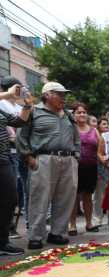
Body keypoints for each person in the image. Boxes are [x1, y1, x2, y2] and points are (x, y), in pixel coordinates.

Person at [16, 82, 80, 250]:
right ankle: (36, 236)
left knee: (65, 199)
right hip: (43, 159)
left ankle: (57, 233)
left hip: (68, 160)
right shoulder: (33, 111)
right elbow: (21, 135)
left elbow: (76, 136)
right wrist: (28, 157)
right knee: (39, 198)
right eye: (59, 94)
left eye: (64, 94)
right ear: (47, 95)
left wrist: (76, 156)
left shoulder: (67, 114)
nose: (63, 97)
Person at [0, 80, 33, 255]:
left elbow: (19, 122)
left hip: (4, 159)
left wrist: (27, 106)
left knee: (10, 199)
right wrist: (8, 94)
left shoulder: (1, 109)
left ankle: (3, 242)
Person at [68, 102, 101, 235]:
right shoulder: (70, 128)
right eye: (78, 112)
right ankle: (72, 225)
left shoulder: (94, 130)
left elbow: (100, 149)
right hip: (74, 166)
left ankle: (89, 223)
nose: (82, 114)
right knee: (73, 197)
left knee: (88, 196)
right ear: (74, 114)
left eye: (84, 112)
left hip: (91, 167)